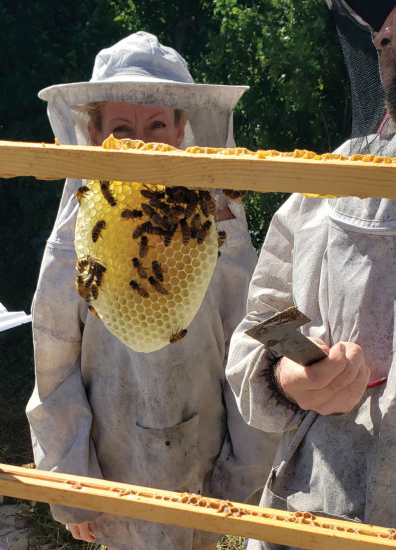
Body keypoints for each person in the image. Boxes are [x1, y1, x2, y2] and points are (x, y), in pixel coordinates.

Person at [27, 31, 277, 550]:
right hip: (115, 461)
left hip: (202, 458)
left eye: (157, 124)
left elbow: (247, 342)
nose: (141, 141)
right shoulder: (80, 223)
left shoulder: (215, 218)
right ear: (93, 134)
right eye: (121, 127)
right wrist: (73, 483)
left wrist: (240, 475)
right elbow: (54, 357)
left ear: (182, 126)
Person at [226, 2, 396, 549]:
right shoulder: (336, 176)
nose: (385, 32)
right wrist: (289, 375)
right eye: (383, 16)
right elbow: (263, 323)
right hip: (310, 518)